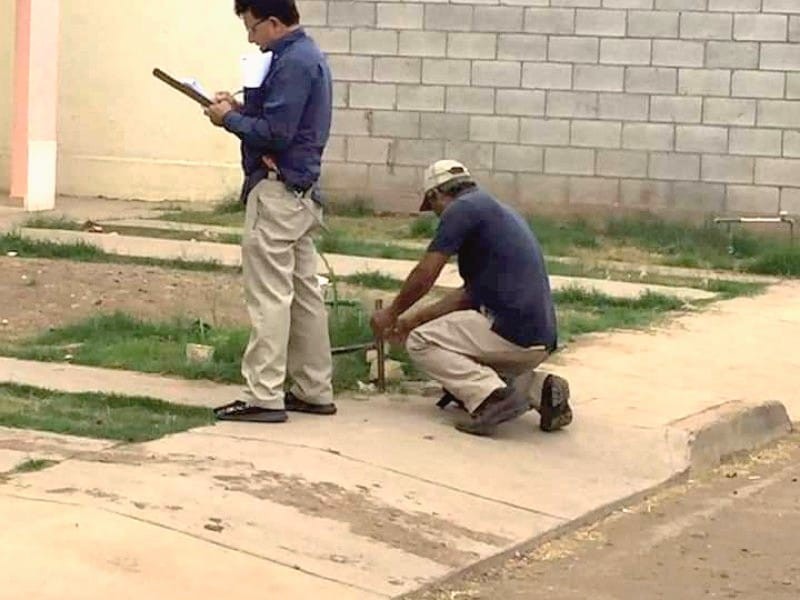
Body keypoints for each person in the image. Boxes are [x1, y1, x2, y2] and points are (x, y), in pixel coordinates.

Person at [371, 160, 573, 436]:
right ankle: (542, 389)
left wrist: (391, 313)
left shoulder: (461, 210)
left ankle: (491, 398)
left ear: (436, 194)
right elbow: (467, 296)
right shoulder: (499, 211)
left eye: (433, 208)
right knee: (456, 349)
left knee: (422, 342)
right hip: (538, 339)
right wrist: (410, 321)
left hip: (510, 332)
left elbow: (426, 273)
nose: (437, 216)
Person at [205, 0, 335, 423]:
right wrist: (240, 112)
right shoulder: (307, 56)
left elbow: (276, 133)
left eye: (253, 28)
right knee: (305, 295)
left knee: (269, 297)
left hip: (277, 194)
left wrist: (228, 120)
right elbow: (281, 122)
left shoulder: (292, 62)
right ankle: (314, 388)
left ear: (274, 23)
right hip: (301, 193)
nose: (251, 37)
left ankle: (263, 394)